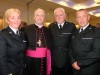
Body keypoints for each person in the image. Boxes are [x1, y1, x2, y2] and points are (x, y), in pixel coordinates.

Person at [70, 9, 100, 75]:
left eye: (84, 16)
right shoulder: (74, 33)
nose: (81, 19)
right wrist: (72, 61)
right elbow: (70, 49)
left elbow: (97, 52)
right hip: (75, 69)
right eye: (79, 17)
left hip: (90, 69)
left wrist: (79, 63)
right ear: (76, 20)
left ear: (88, 17)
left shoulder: (96, 31)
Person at [23, 8, 52, 75]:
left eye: (42, 15)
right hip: (30, 60)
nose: (39, 17)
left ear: (44, 18)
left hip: (44, 59)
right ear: (34, 17)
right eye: (37, 15)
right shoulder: (26, 29)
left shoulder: (48, 30)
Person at [49, 7, 76, 75]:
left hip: (67, 59)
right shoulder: (51, 26)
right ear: (54, 17)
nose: (59, 17)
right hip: (54, 59)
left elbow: (75, 42)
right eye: (56, 15)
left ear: (65, 15)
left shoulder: (71, 26)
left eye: (61, 15)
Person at [0, 8, 26, 75]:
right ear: (7, 20)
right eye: (13, 18)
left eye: (18, 18)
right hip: (11, 71)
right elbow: (1, 58)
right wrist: (7, 73)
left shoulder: (22, 34)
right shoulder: (3, 34)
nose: (16, 20)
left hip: (21, 70)